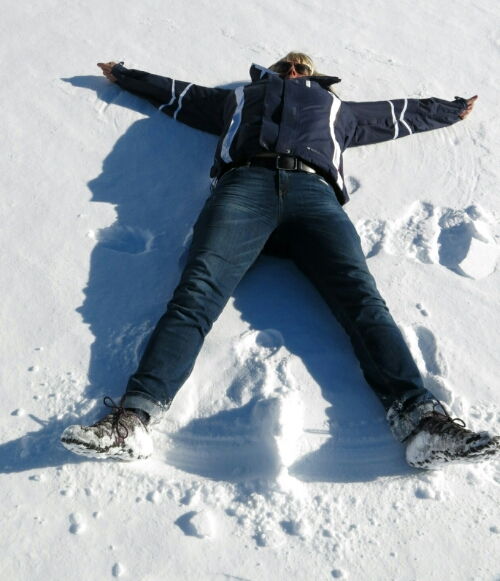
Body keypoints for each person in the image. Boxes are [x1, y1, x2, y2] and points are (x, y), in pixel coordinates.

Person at [61, 52, 498, 470]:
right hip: (243, 187)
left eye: (302, 66)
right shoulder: (238, 97)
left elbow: (396, 114)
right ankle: (133, 421)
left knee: (363, 301)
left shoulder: (336, 108)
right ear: (271, 70)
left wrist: (449, 109)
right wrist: (127, 75)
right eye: (286, 64)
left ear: (314, 75)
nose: (293, 69)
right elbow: (181, 95)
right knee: (196, 294)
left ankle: (424, 424)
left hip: (315, 195)